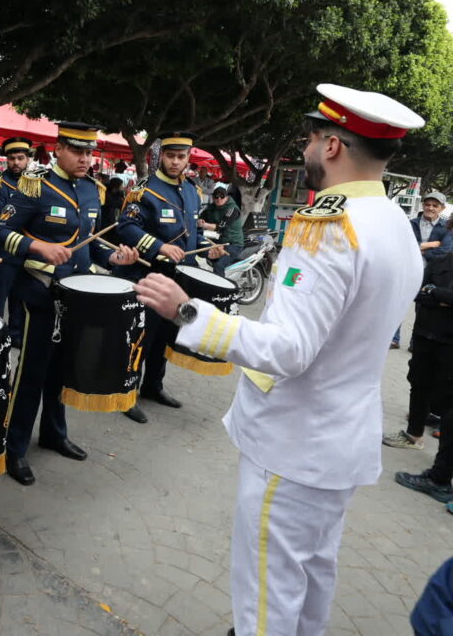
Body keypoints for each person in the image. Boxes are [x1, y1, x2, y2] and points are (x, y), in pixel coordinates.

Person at [135, 83, 424, 636]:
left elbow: (290, 349)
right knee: (313, 576)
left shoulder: (331, 226)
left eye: (313, 138)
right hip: (339, 443)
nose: (306, 149)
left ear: (333, 146)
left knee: (266, 597)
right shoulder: (395, 224)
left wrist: (189, 313)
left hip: (295, 447)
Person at [0, 122, 139, 486]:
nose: (85, 159)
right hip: (37, 296)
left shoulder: (92, 190)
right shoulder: (35, 184)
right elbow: (0, 231)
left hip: (74, 301)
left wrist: (115, 257)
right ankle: (14, 447)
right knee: (30, 375)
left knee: (61, 370)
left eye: (89, 152)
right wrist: (39, 247)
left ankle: (54, 433)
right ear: (58, 150)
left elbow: (90, 243)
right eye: (77, 151)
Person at [116, 133, 224, 424]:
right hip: (149, 275)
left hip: (180, 278)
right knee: (142, 337)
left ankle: (153, 387)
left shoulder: (191, 190)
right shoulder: (145, 190)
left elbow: (191, 231)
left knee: (166, 335)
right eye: (170, 156)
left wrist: (207, 246)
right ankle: (127, 394)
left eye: (181, 157)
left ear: (189, 158)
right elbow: (125, 227)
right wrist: (159, 246)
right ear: (160, 157)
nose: (176, 162)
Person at [383, 229, 453, 452]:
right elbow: (417, 292)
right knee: (419, 384)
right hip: (425, 333)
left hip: (450, 343)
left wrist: (435, 293)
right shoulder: (440, 262)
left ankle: (442, 464)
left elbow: (431, 293)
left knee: (447, 395)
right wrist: (438, 297)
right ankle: (413, 435)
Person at [0, 136, 31, 345]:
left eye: (20, 158)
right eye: (12, 158)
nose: (16, 163)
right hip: (3, 251)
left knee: (19, 297)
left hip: (26, 250)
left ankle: (16, 335)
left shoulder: (35, 183)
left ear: (28, 159)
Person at [393, 191, 450, 348]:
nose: (430, 208)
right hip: (408, 270)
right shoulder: (411, 223)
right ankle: (394, 339)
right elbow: (403, 246)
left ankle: (415, 342)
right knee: (398, 305)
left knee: (423, 308)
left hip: (431, 274)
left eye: (434, 205)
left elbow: (445, 251)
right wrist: (429, 245)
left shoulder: (446, 227)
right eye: (427, 204)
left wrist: (418, 248)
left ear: (442, 208)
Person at [199, 183, 244, 276]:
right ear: (213, 197)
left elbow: (221, 226)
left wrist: (205, 224)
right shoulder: (211, 207)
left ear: (226, 197)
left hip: (232, 243)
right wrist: (200, 220)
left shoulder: (232, 209)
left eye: (221, 197)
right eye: (216, 197)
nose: (218, 199)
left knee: (219, 266)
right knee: (200, 254)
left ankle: (219, 289)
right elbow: (200, 217)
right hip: (216, 241)